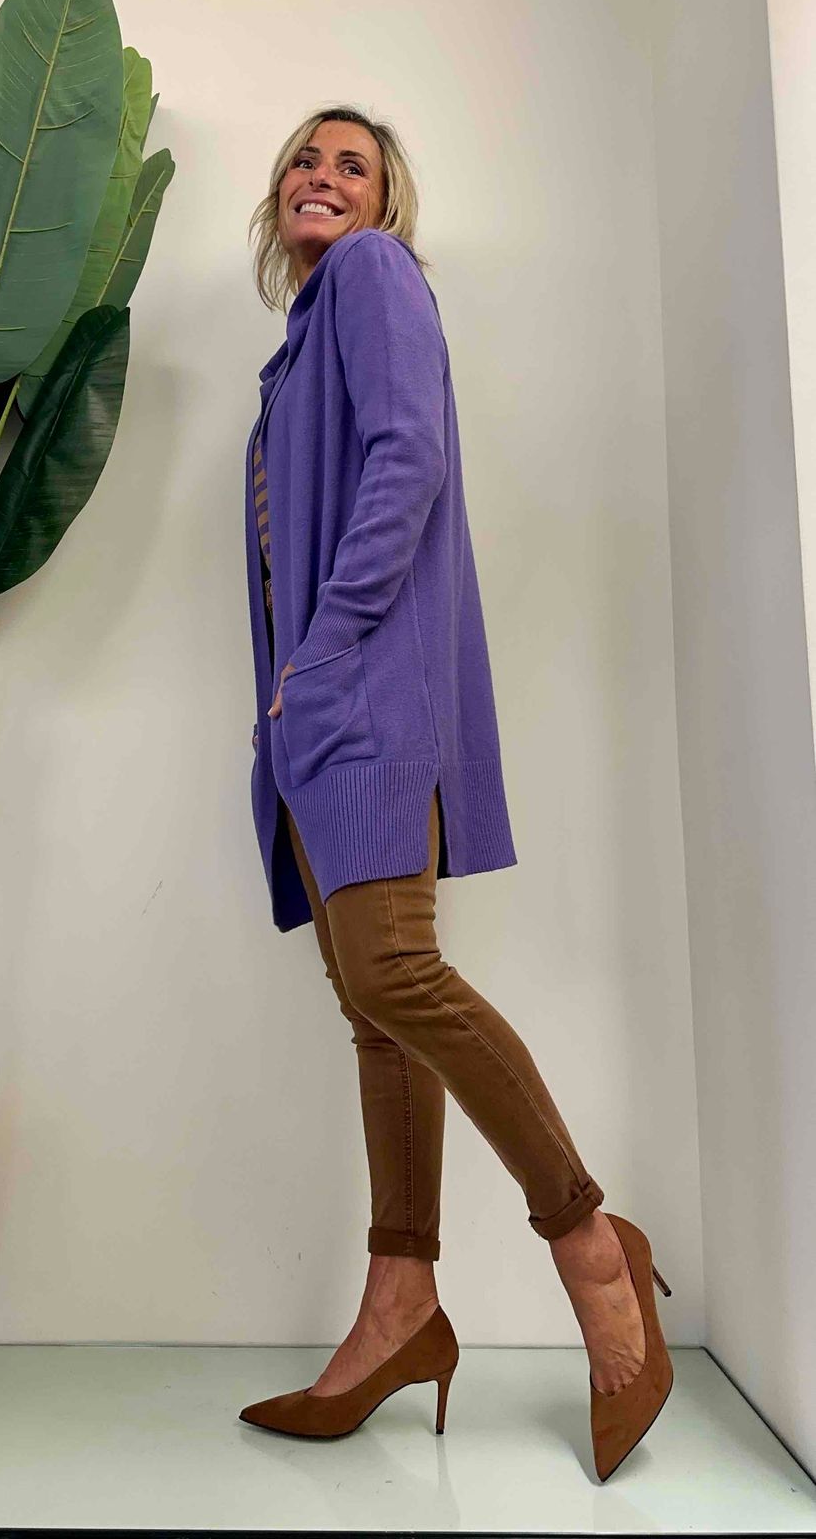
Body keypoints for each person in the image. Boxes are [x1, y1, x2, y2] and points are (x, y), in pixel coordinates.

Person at [238, 106, 673, 1479]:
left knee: (397, 975)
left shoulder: (373, 276)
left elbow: (409, 461)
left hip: (362, 692)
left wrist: (322, 654)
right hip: (317, 714)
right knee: (376, 1011)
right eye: (304, 159)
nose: (320, 176)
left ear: (384, 208)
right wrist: (291, 695)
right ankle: (400, 1298)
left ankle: (589, 1241)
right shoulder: (290, 354)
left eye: (351, 166)